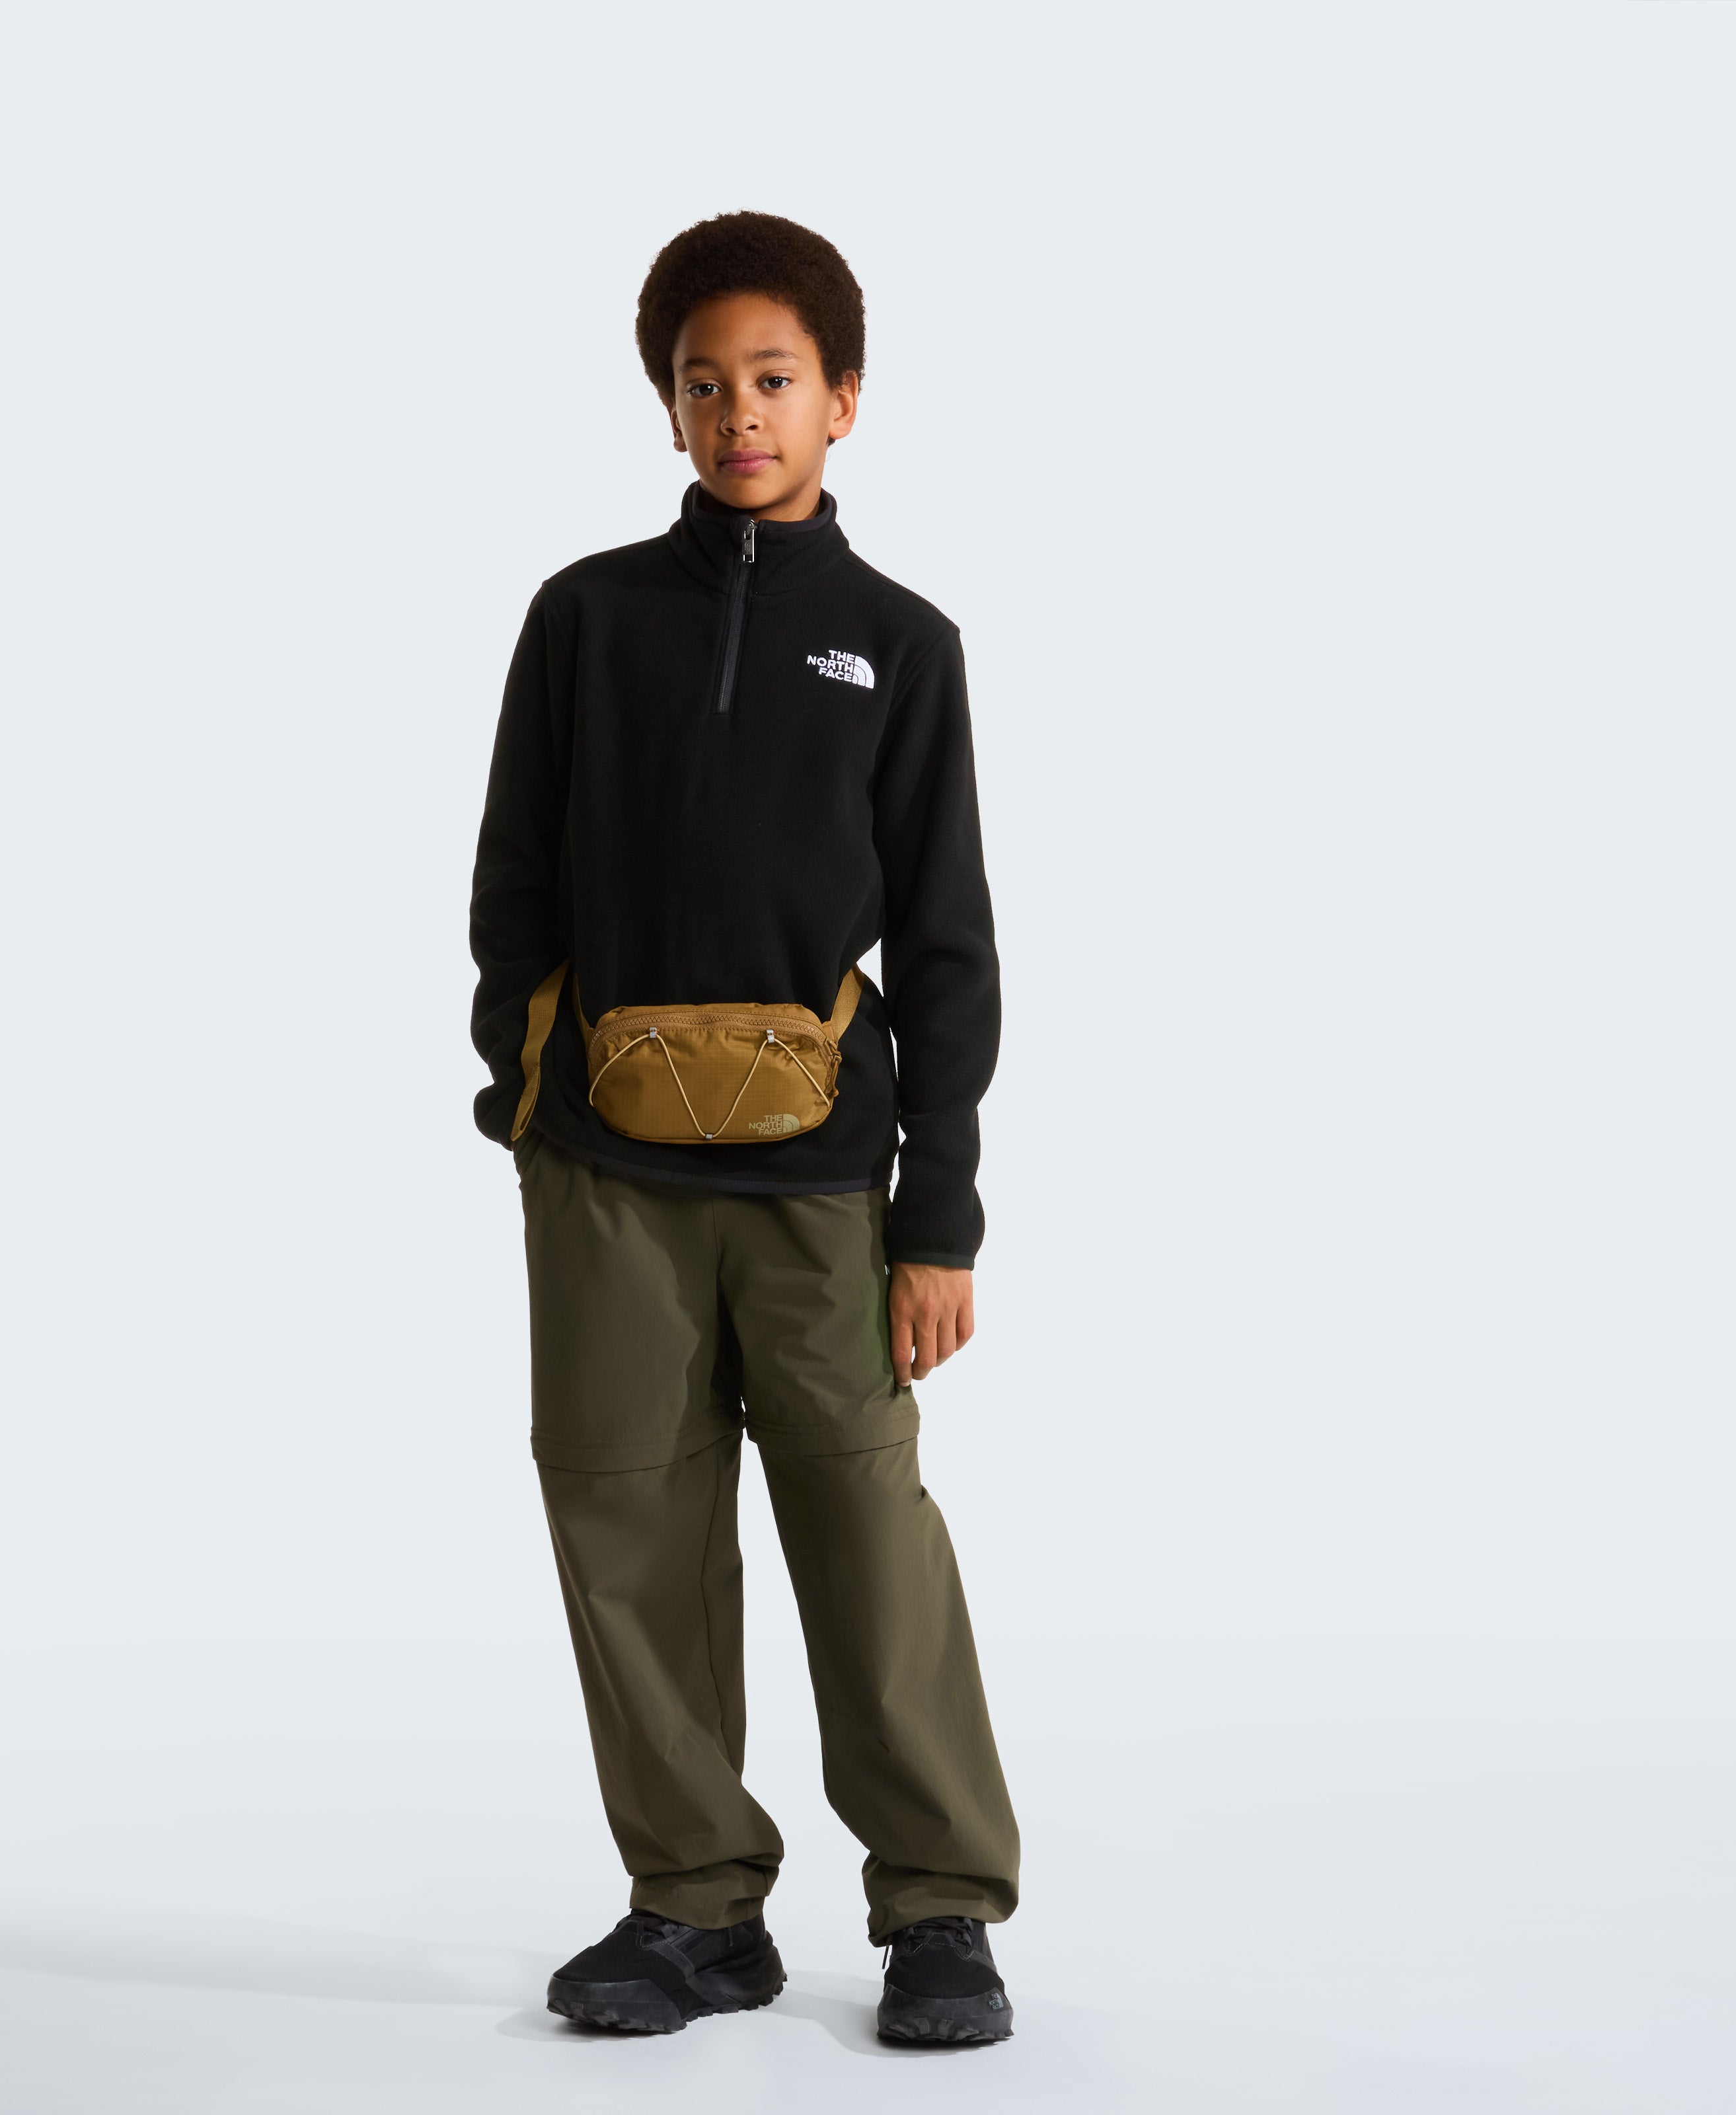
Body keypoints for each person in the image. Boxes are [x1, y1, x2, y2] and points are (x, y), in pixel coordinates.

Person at [467, 211, 1018, 2046]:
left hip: (820, 1181)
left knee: (866, 1526)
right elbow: (513, 887)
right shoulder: (585, 619)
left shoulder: (901, 646)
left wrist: (938, 1218)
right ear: (670, 405)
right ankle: (696, 1908)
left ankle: (940, 1906)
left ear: (844, 398)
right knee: (624, 1519)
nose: (738, 414)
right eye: (703, 385)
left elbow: (949, 945)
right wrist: (529, 1100)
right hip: (603, 1171)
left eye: (773, 379)